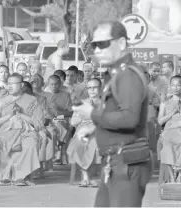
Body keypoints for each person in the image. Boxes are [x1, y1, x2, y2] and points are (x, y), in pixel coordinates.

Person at [74, 20, 151, 207]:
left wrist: (93, 114)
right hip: (114, 162)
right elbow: (116, 113)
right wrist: (96, 127)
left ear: (122, 43)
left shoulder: (128, 75)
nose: (97, 50)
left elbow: (129, 118)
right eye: (94, 45)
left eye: (103, 44)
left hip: (126, 162)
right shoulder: (116, 74)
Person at [0, 73, 44, 186]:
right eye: (8, 83)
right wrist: (9, 116)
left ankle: (22, 177)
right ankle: (1, 175)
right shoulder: (2, 101)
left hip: (25, 133)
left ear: (21, 85)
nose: (10, 86)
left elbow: (38, 123)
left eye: (13, 84)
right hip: (4, 132)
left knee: (31, 143)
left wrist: (20, 114)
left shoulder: (32, 100)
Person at [157, 76, 181, 183]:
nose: (175, 88)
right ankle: (172, 177)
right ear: (170, 86)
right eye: (173, 85)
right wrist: (173, 112)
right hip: (170, 131)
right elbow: (160, 122)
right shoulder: (165, 103)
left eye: (178, 85)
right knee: (167, 146)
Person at [67, 78, 102, 188]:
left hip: (100, 129)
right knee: (77, 144)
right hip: (83, 130)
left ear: (100, 89)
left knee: (96, 144)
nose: (92, 90)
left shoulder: (106, 103)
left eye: (95, 87)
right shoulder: (82, 103)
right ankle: (85, 176)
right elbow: (73, 122)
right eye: (89, 88)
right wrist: (79, 113)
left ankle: (96, 177)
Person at [31, 74, 59, 174]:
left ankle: (45, 162)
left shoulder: (49, 96)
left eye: (37, 79)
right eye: (32, 79)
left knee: (50, 133)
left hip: (46, 123)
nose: (34, 81)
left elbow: (53, 113)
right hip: (29, 124)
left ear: (43, 83)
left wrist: (45, 117)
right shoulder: (27, 95)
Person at [47, 75, 73, 165]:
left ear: (60, 84)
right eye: (52, 84)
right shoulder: (44, 95)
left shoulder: (65, 95)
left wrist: (58, 113)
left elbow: (71, 112)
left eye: (56, 84)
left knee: (59, 123)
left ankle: (58, 154)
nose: (54, 86)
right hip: (48, 119)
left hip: (62, 118)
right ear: (48, 84)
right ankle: (58, 153)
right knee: (57, 125)